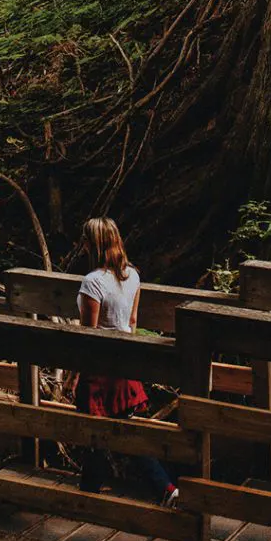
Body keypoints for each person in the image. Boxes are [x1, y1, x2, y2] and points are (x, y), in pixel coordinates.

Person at [72, 217, 179, 507]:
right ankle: (91, 489)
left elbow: (89, 334)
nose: (81, 247)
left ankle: (94, 491)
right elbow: (131, 322)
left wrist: (77, 374)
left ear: (93, 244)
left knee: (99, 431)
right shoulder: (132, 275)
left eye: (84, 241)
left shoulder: (93, 282)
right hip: (125, 362)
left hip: (101, 367)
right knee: (115, 430)